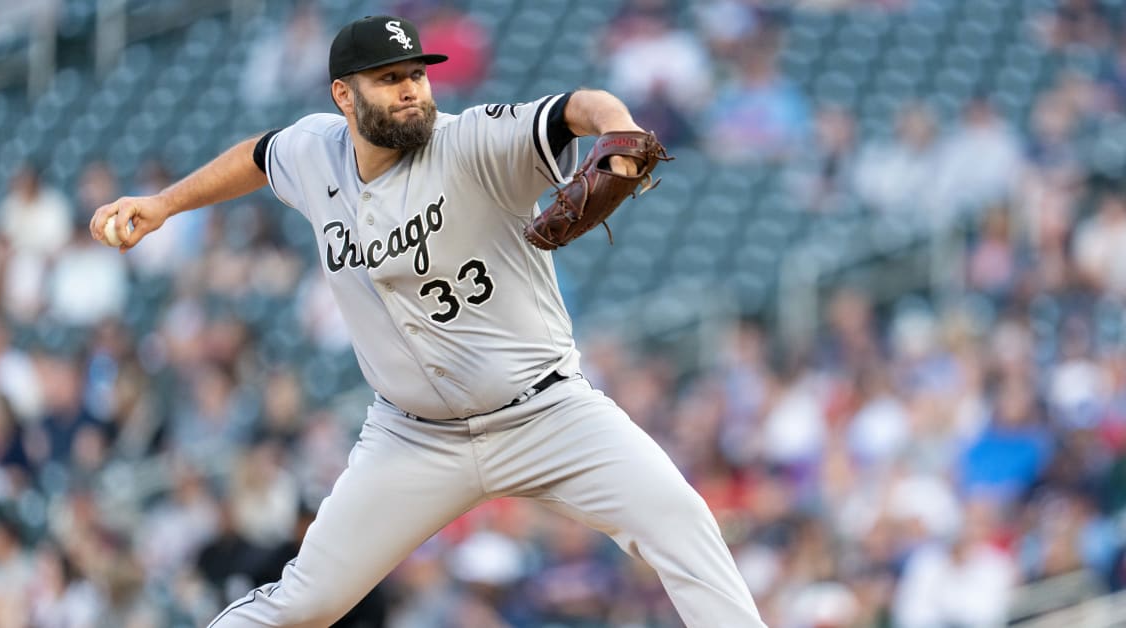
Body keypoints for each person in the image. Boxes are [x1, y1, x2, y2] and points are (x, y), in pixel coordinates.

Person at [90, 15, 764, 627]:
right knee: (307, 603)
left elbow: (580, 107)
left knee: (681, 525)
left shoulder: (473, 142)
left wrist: (618, 129)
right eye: (390, 78)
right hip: (412, 441)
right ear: (343, 97)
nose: (412, 88)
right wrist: (164, 204)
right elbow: (258, 157)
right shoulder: (315, 152)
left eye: (417, 73)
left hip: (547, 416)